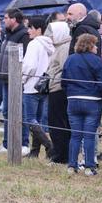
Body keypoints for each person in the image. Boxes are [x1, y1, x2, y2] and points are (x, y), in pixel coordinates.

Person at [64, 33, 102, 175]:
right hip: (92, 101)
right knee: (89, 135)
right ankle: (89, 166)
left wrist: (70, 92)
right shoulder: (97, 61)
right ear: (90, 45)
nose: (97, 47)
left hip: (73, 99)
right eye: (95, 44)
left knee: (75, 135)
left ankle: (72, 165)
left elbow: (64, 81)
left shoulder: (70, 59)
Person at [0, 8, 30, 155]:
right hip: (6, 79)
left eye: (6, 18)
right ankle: (7, 143)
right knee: (6, 111)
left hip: (17, 80)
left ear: (14, 19)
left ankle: (24, 143)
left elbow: (23, 58)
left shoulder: (24, 35)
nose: (3, 20)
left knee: (20, 112)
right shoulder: (8, 34)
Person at [22, 16, 54, 159]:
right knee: (38, 120)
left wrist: (22, 79)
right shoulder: (49, 44)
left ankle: (48, 145)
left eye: (31, 28)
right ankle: (35, 151)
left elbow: (30, 66)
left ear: (38, 30)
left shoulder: (34, 44)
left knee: (30, 119)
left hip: (31, 85)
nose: (28, 31)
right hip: (44, 85)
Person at [45, 20, 72, 164]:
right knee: (55, 123)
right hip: (54, 86)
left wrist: (53, 78)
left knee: (58, 123)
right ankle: (59, 153)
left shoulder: (64, 48)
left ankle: (60, 155)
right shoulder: (58, 47)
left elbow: (63, 69)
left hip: (58, 88)